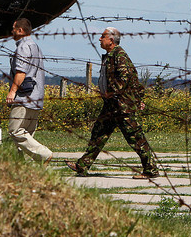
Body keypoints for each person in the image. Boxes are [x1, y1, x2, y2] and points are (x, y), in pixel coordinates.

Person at [66, 27, 158, 178]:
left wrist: (112, 92)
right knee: (99, 133)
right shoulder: (110, 56)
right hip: (111, 105)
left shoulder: (119, 55)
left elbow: (125, 77)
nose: (100, 39)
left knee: (135, 137)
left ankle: (151, 169)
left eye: (102, 37)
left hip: (123, 106)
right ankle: (82, 165)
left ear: (111, 40)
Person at [6, 18, 54, 162]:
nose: (12, 31)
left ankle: (43, 154)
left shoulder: (23, 47)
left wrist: (12, 92)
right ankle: (24, 166)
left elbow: (21, 72)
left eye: (14, 29)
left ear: (20, 31)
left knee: (15, 131)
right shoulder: (35, 46)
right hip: (36, 97)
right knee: (27, 133)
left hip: (24, 97)